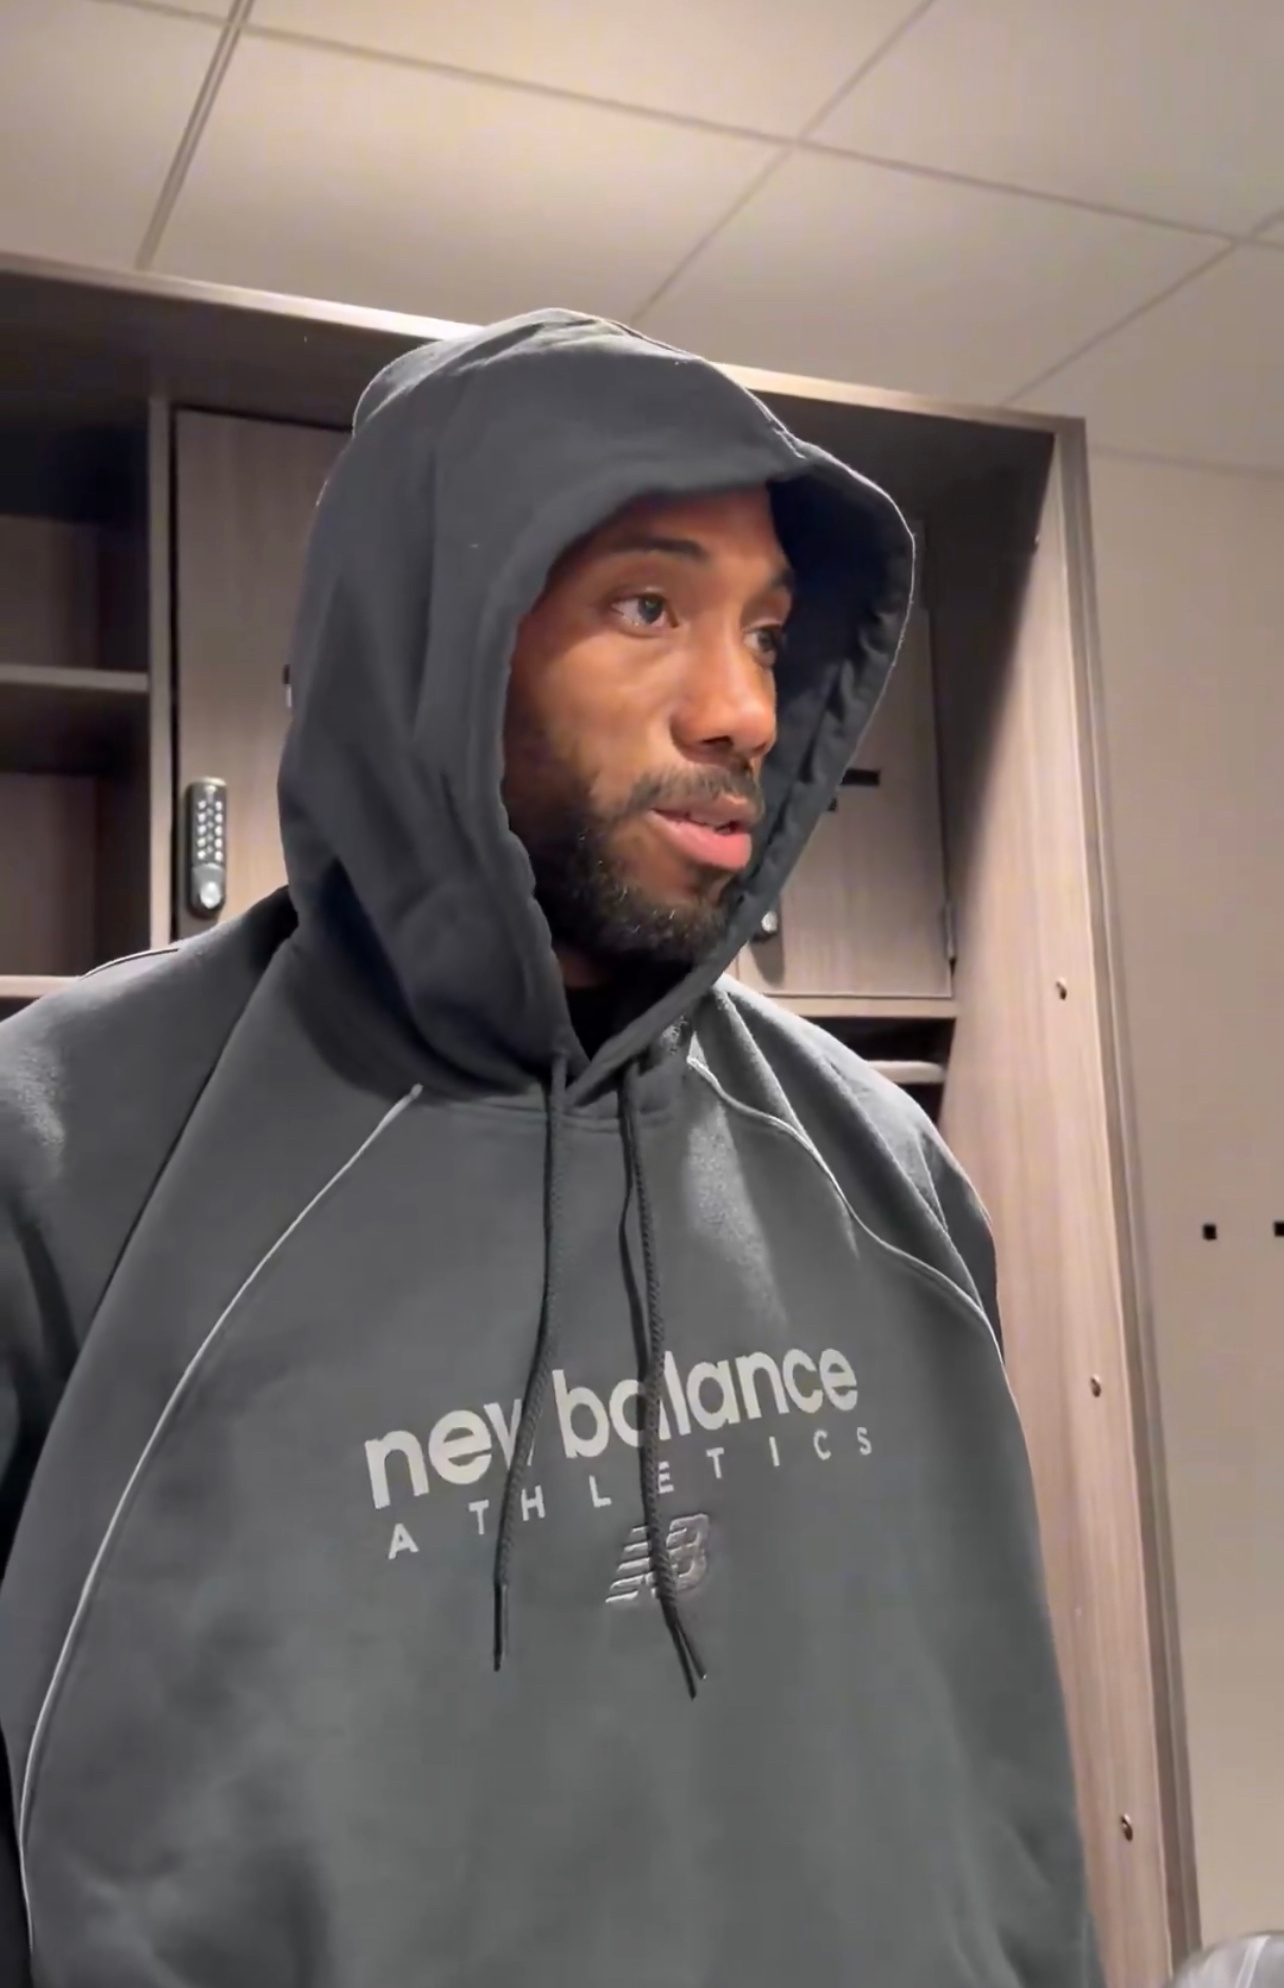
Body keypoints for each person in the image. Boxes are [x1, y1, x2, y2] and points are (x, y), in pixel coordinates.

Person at [0, 309, 1102, 1985]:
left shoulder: (886, 1166)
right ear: (430, 651)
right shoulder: (62, 1155)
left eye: (769, 632)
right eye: (648, 608)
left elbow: (996, 1760)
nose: (744, 710)